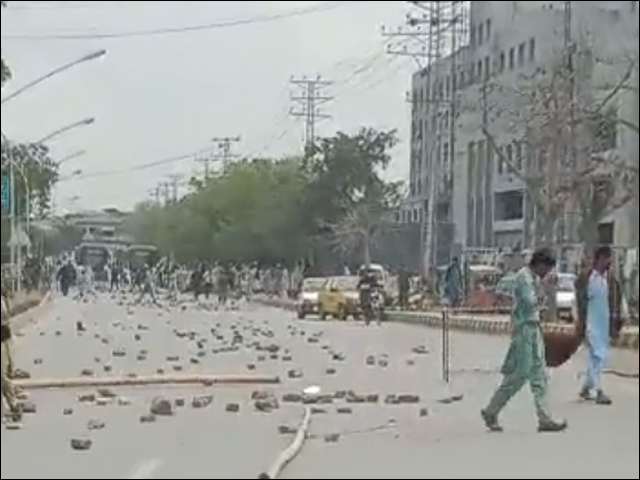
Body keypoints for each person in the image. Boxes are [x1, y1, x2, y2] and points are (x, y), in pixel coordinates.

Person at [481, 248, 567, 433]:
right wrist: (545, 290)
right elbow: (531, 302)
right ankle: (491, 410)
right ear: (540, 264)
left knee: (539, 375)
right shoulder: (524, 278)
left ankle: (545, 417)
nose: (547, 272)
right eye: (547, 268)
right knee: (519, 375)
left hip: (534, 328)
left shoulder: (533, 278)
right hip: (524, 330)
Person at [579, 246, 614, 404]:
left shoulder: (605, 279)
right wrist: (582, 324)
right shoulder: (590, 279)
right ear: (600, 259)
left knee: (597, 357)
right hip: (592, 324)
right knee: (597, 357)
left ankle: (586, 387)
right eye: (606, 258)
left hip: (603, 325)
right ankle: (599, 391)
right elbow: (581, 303)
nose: (608, 261)